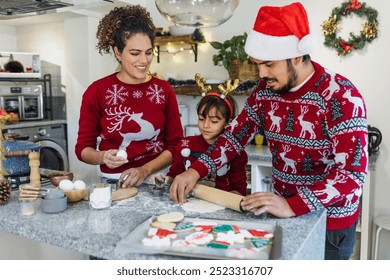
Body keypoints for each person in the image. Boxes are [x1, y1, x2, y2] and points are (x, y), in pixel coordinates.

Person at [169, 2, 368, 260]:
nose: (262, 74)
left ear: (297, 56)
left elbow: (352, 174)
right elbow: (233, 137)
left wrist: (292, 204)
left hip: (329, 223)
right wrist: (196, 170)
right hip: (283, 210)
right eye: (257, 64)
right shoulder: (265, 92)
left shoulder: (340, 95)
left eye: (269, 64)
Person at [75, 5, 183, 188]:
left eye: (149, 52)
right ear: (118, 52)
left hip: (155, 180)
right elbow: (83, 149)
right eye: (135, 53)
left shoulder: (164, 90)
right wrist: (103, 157)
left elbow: (176, 145)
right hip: (112, 183)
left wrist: (145, 170)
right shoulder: (97, 92)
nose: (144, 60)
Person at [151, 74, 248, 196]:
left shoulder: (235, 153)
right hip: (187, 204)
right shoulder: (185, 144)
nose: (206, 125)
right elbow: (175, 175)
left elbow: (239, 190)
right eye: (201, 119)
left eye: (214, 121)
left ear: (227, 122)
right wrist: (164, 180)